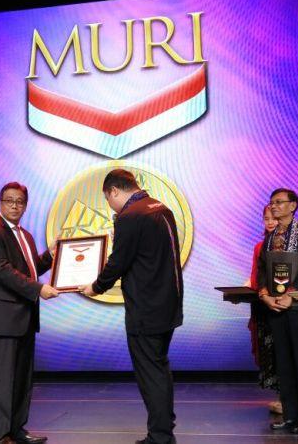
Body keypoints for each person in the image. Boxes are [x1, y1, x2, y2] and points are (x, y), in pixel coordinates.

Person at [81, 169, 183, 444]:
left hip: (146, 309)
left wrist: (95, 286)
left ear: (114, 191)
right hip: (168, 304)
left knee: (150, 374)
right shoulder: (160, 208)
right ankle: (163, 429)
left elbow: (118, 262)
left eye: (107, 199)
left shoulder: (131, 216)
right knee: (159, 368)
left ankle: (160, 436)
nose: (110, 205)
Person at [0, 182, 59, 444]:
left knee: (22, 379)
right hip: (3, 318)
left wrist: (52, 255)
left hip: (25, 317)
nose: (14, 205)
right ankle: (0, 435)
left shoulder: (25, 235)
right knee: (2, 381)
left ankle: (17, 430)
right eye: (9, 200)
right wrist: (38, 289)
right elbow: (4, 271)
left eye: (19, 201)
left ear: (25, 205)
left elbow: (29, 269)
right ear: (0, 202)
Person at [257, 188, 298, 434]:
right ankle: (290, 415)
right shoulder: (270, 237)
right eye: (272, 203)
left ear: (293, 206)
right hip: (275, 306)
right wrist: (265, 294)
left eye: (279, 202)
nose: (274, 206)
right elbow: (263, 269)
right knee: (283, 363)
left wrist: (290, 295)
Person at [247, 205, 281, 414]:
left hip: (283, 306)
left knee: (284, 352)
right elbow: (255, 276)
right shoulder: (259, 247)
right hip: (263, 306)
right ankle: (281, 396)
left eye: (274, 218)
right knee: (270, 352)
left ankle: (290, 398)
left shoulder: (290, 244)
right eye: (266, 218)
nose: (270, 222)